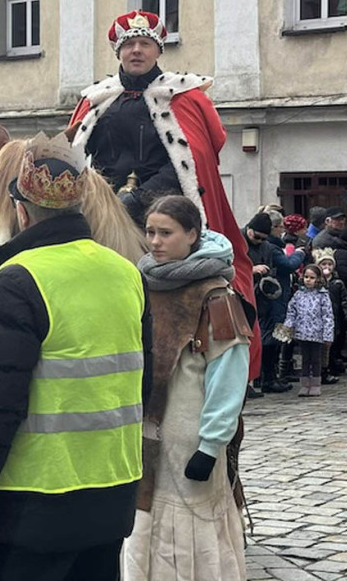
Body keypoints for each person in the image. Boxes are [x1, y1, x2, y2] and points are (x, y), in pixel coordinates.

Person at [0, 131, 151, 581]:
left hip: (32, 502)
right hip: (111, 495)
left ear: (19, 209)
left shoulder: (17, 281)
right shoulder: (127, 274)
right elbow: (142, 384)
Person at [69, 10, 257, 379]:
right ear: (117, 52)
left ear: (158, 50)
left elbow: (196, 157)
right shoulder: (97, 100)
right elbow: (76, 156)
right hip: (103, 203)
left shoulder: (183, 97)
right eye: (129, 45)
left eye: (145, 44)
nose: (136, 51)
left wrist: (140, 200)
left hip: (165, 204)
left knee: (195, 266)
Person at [123, 195, 250, 580]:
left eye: (166, 232)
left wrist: (211, 446)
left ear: (192, 234)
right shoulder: (140, 284)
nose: (156, 241)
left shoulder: (217, 295)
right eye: (150, 232)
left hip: (191, 438)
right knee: (144, 523)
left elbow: (229, 374)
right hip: (144, 434)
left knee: (194, 536)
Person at [245, 212, 305, 392]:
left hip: (267, 297)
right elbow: (287, 265)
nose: (258, 241)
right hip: (250, 297)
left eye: (262, 238)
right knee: (266, 337)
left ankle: (267, 378)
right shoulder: (238, 242)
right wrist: (251, 269)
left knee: (273, 337)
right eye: (255, 237)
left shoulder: (267, 247)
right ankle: (262, 378)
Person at [283, 265, 334, 397]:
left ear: (318, 279)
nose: (308, 280)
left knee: (316, 359)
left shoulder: (323, 296)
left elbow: (327, 316)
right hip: (302, 332)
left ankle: (316, 384)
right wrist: (288, 326)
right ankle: (305, 384)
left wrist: (328, 334)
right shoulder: (298, 295)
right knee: (305, 359)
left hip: (317, 333)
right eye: (306, 277)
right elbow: (291, 311)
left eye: (312, 277)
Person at [314, 249, 347, 378]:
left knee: (334, 344)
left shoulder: (338, 283)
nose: (327, 267)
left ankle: (332, 365)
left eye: (329, 264)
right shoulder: (314, 283)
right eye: (323, 264)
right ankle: (323, 369)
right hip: (319, 320)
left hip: (335, 319)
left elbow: (344, 302)